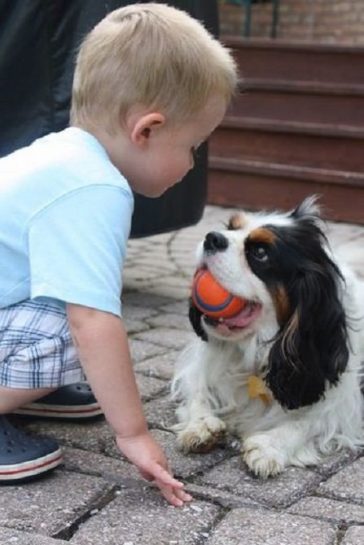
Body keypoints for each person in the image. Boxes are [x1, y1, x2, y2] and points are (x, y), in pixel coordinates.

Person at [0, 3, 237, 506]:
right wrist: (131, 433)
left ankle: (32, 388)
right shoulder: (95, 187)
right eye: (193, 144)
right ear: (146, 130)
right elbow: (91, 321)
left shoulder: (63, 152)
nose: (192, 162)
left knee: (70, 313)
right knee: (76, 327)